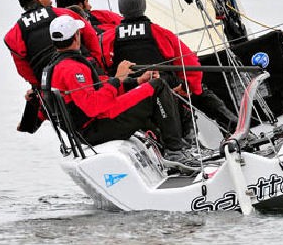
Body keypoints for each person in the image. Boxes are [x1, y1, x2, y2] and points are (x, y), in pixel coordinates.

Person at [41, 15, 194, 163]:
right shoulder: (72, 68)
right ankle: (175, 151)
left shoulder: (53, 66)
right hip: (94, 129)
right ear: (76, 36)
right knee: (158, 86)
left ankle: (166, 146)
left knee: (149, 87)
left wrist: (136, 81)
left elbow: (99, 88)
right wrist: (118, 78)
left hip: (86, 129)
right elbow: (92, 107)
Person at [101, 0, 238, 137]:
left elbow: (101, 70)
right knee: (200, 92)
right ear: (144, 5)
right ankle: (235, 129)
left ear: (121, 9)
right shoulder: (160, 33)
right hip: (163, 86)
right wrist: (189, 88)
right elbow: (190, 64)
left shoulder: (106, 38)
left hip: (127, 92)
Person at [4, 0, 103, 133]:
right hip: (83, 71)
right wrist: (97, 62)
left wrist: (40, 85)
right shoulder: (62, 13)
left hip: (52, 86)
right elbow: (89, 34)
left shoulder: (13, 34)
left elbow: (23, 69)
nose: (50, 1)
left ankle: (32, 121)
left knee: (39, 99)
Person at [55, 0, 122, 34]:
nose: (90, 6)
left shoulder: (57, 31)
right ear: (79, 5)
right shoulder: (100, 15)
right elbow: (128, 22)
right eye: (86, 1)